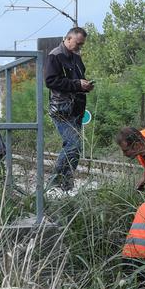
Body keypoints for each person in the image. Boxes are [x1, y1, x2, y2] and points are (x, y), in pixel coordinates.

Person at [44, 27, 94, 190]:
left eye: (82, 44)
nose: (80, 47)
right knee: (73, 145)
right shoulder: (55, 55)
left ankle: (65, 185)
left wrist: (84, 86)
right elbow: (50, 81)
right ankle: (54, 183)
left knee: (75, 148)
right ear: (69, 38)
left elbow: (78, 81)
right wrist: (77, 84)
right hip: (61, 109)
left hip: (76, 109)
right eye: (78, 43)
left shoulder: (77, 58)